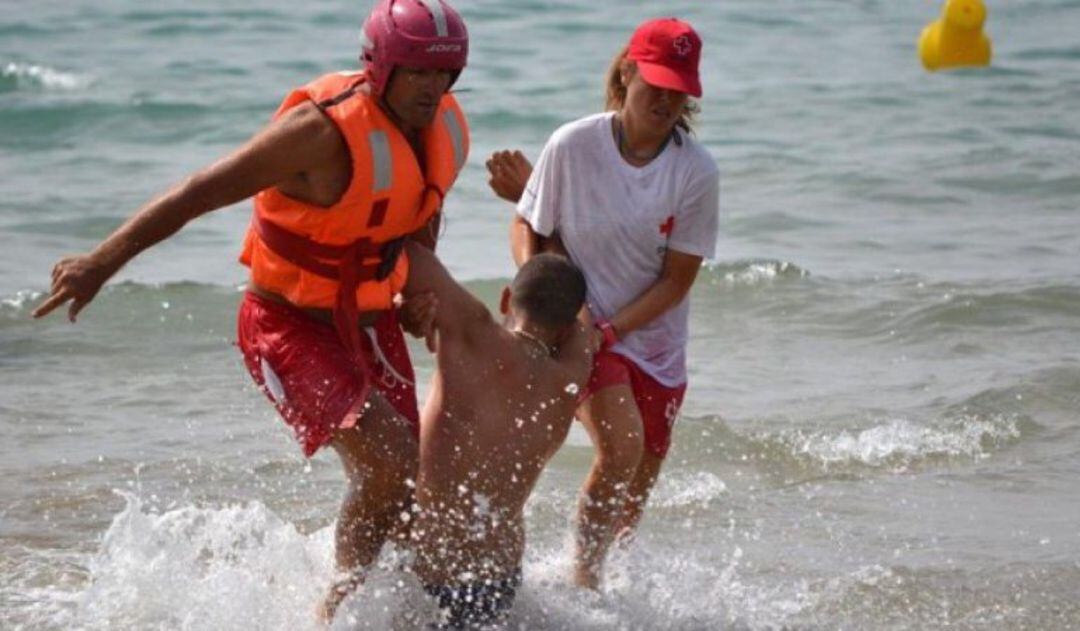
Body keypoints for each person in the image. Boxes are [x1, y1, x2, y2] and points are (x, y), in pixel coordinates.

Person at [32, 0, 471, 620]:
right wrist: (101, 262)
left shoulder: (445, 128)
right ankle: (335, 612)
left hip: (369, 323)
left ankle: (396, 613)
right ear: (382, 66)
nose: (434, 87)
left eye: (445, 72)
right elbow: (199, 191)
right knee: (391, 459)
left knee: (407, 490)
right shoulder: (318, 134)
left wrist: (408, 299)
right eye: (419, 72)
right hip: (287, 327)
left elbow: (417, 212)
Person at [486, 17, 720, 590]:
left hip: (652, 340)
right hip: (579, 328)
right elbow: (527, 224)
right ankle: (584, 585)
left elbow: (675, 282)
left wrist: (612, 331)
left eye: (678, 89)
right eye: (655, 84)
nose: (666, 100)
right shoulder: (573, 143)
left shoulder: (695, 172)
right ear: (627, 72)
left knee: (636, 485)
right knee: (621, 447)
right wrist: (551, 300)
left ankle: (611, 588)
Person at [400, 242, 594, 628]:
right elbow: (588, 333)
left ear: (506, 298)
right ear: (567, 327)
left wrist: (405, 310)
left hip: (430, 569)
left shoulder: (474, 334)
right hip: (498, 579)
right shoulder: (572, 374)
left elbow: (411, 255)